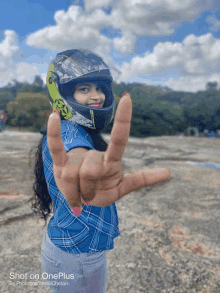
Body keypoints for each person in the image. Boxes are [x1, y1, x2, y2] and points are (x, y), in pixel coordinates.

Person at [30, 49, 170, 293]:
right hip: (78, 255)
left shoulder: (73, 128)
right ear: (62, 92)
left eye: (99, 88)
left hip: (71, 246)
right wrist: (83, 164)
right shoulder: (69, 132)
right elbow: (76, 155)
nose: (97, 96)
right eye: (84, 89)